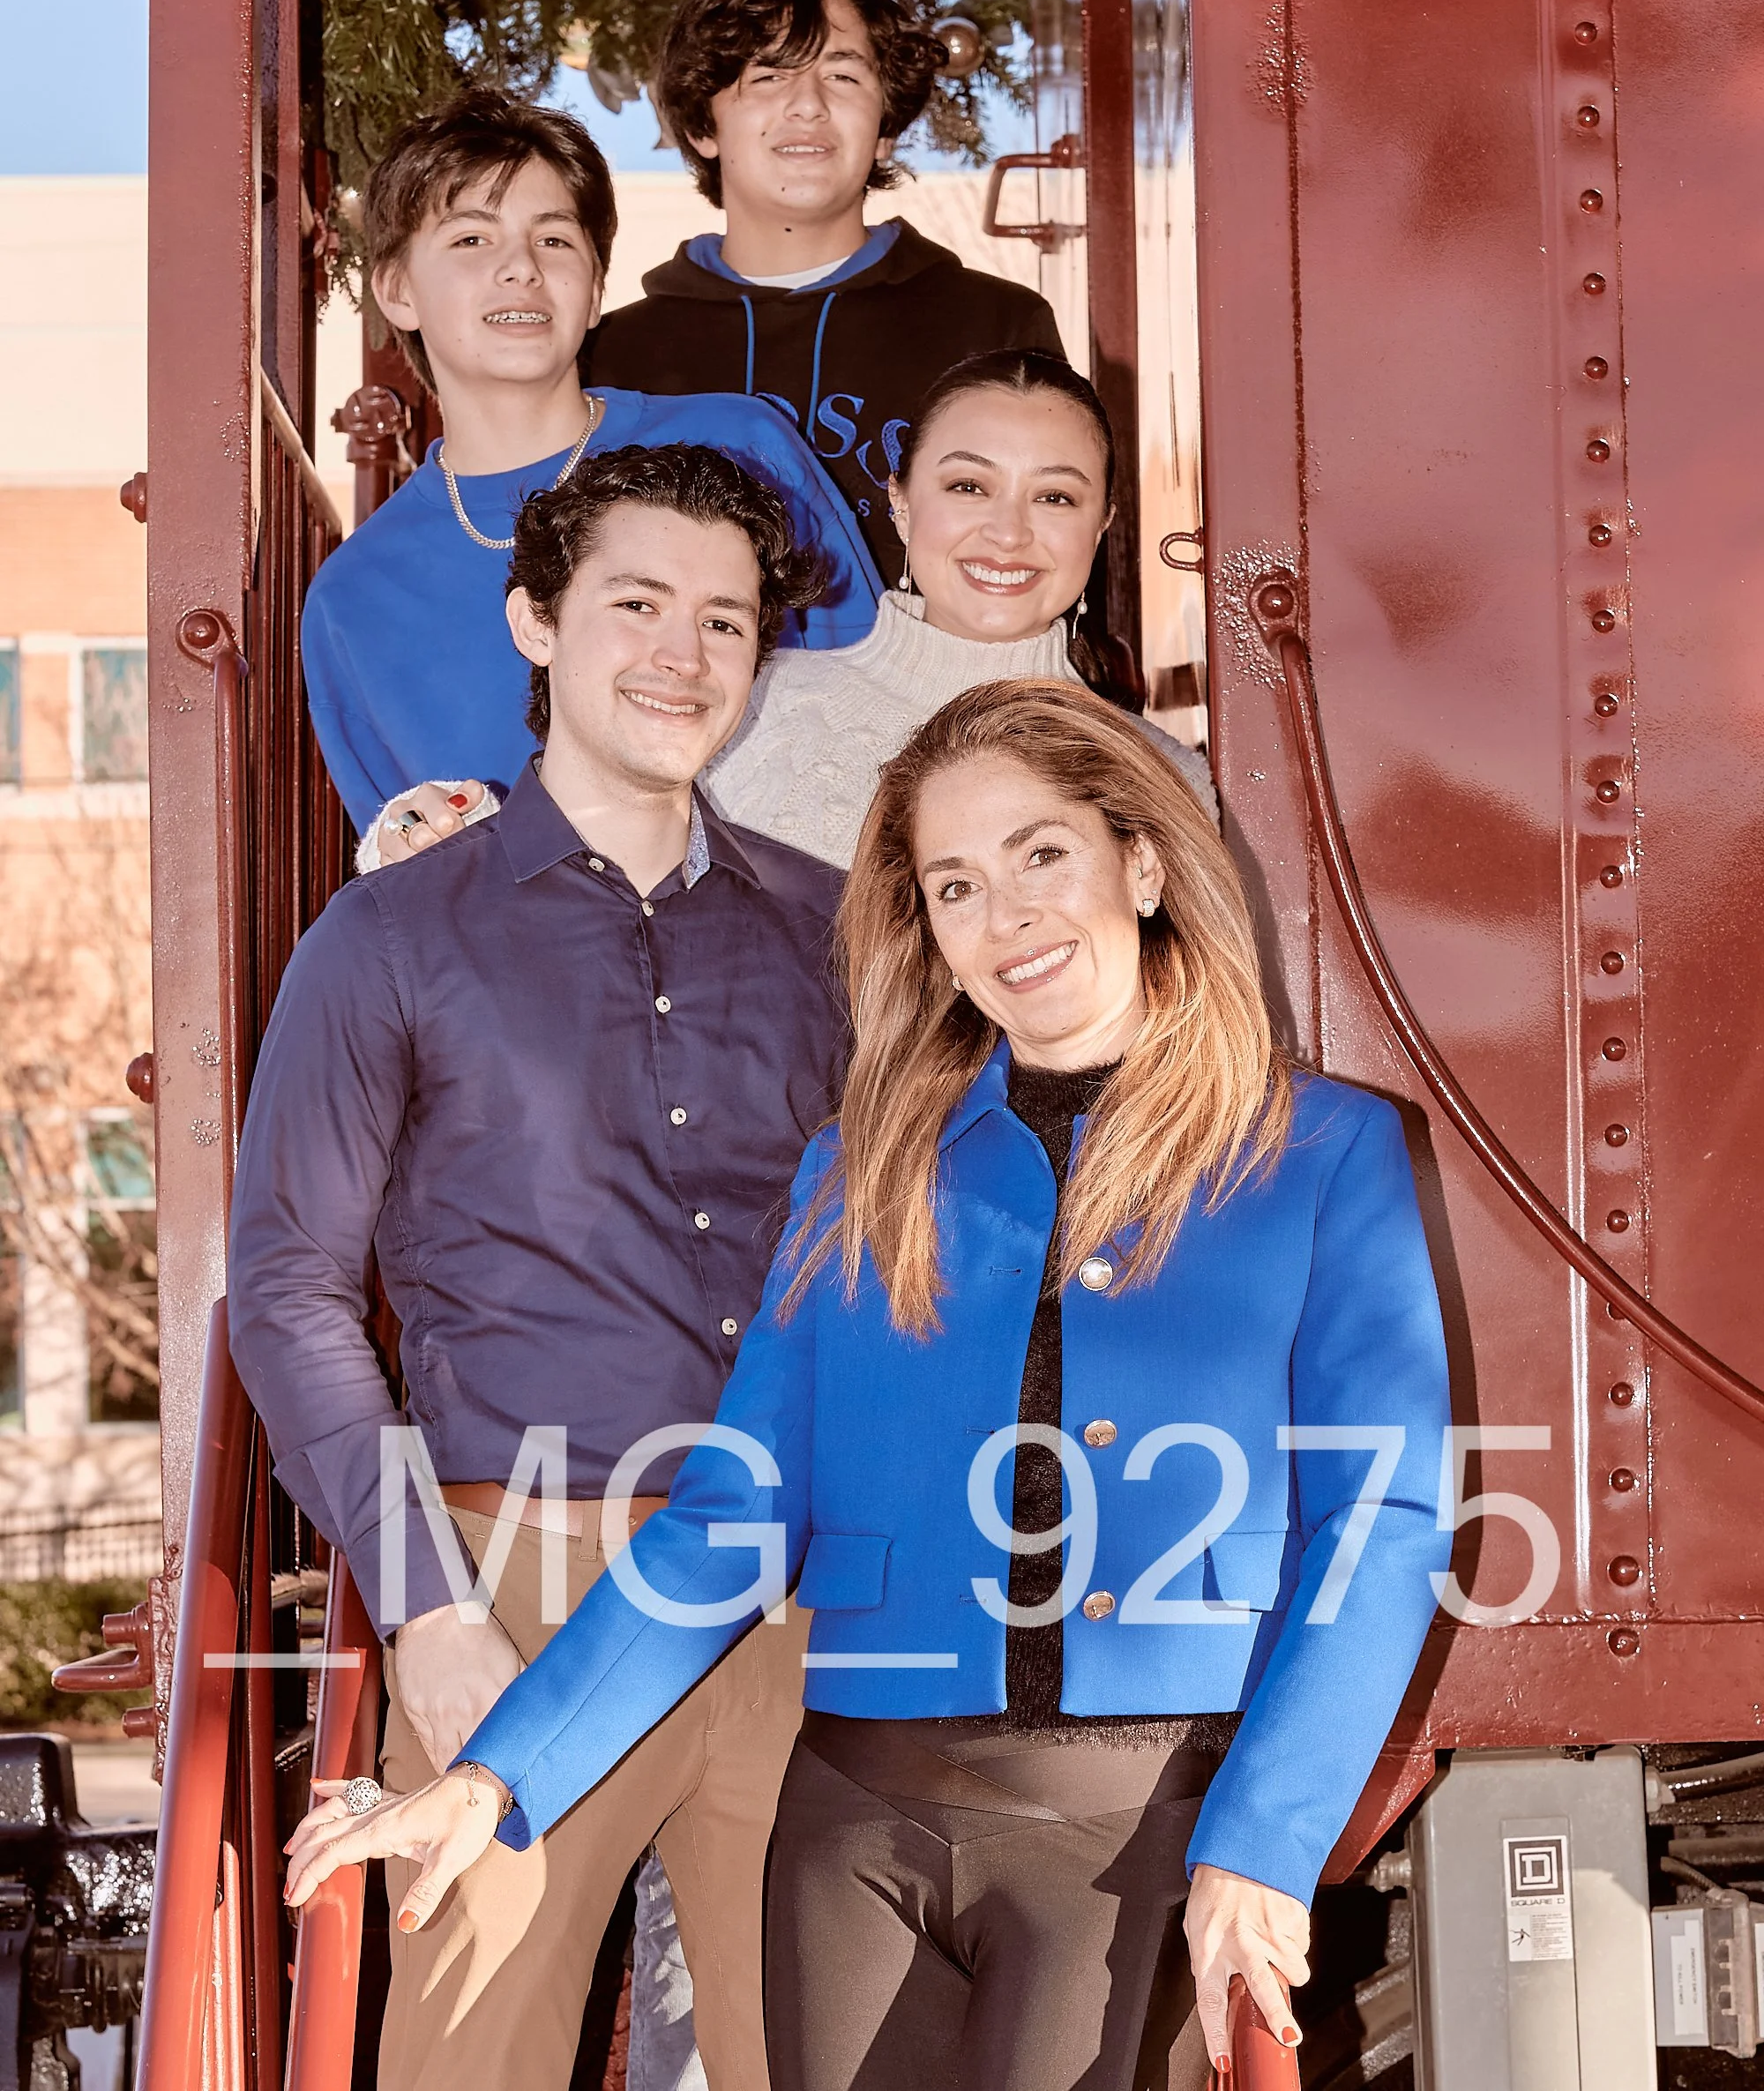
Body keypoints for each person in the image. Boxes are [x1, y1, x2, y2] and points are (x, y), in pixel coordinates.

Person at [283, 677, 1454, 2091]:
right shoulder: (862, 1164)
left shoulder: (1324, 1152)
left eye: (1042, 855)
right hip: (855, 1839)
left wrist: (1263, 1844)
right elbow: (732, 1514)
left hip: (1134, 1836)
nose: (1006, 917)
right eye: (955, 886)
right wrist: (496, 1775)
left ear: (1142, 866)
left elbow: (1380, 1526)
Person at [234, 446, 848, 2091]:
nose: (683, 655)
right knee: (472, 2069)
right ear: (535, 622)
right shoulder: (389, 936)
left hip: (799, 1594)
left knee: (829, 2059)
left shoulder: (839, 934)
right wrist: (427, 1607)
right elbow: (288, 1290)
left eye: (726, 621)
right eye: (636, 605)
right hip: (516, 1585)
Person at [363, 353, 1213, 873]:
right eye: (967, 485)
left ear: (1103, 524)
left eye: (1056, 497)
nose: (1009, 532)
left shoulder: (1165, 776)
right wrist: (430, 837)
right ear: (900, 502)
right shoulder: (749, 699)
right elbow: (586, 860)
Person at [301, 86, 882, 840]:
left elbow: (873, 698)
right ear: (396, 290)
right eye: (472, 239)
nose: (521, 268)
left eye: (554, 240)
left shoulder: (740, 444)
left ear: (598, 286)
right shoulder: (354, 599)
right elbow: (408, 865)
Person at [587, 0, 1066, 587]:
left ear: (886, 127)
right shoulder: (613, 358)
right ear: (702, 127)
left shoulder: (997, 328)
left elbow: (1049, 558)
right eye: (768, 76)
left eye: (842, 76)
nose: (808, 105)